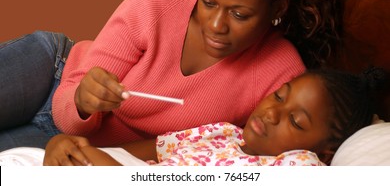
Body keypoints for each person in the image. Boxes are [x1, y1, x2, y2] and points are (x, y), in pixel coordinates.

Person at [0, 0, 342, 151]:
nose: (216, 25)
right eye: (208, 2)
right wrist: (81, 101)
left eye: (239, 14)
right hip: (54, 73)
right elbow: (67, 110)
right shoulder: (157, 1)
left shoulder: (280, 76)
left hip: (81, 146)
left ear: (277, 8)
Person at [0, 67, 385, 166]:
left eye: (296, 122)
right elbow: (123, 153)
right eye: (278, 96)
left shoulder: (298, 166)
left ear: (328, 150)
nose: (270, 114)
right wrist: (66, 146)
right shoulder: (221, 133)